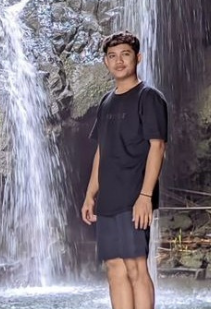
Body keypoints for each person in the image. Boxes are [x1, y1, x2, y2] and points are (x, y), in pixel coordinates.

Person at [81, 31, 168, 309]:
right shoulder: (106, 103)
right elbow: (101, 151)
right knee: (114, 267)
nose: (119, 61)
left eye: (125, 54)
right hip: (108, 198)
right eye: (112, 56)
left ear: (138, 58)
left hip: (134, 196)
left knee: (135, 267)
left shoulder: (149, 97)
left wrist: (145, 196)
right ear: (106, 62)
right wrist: (90, 194)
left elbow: (158, 147)